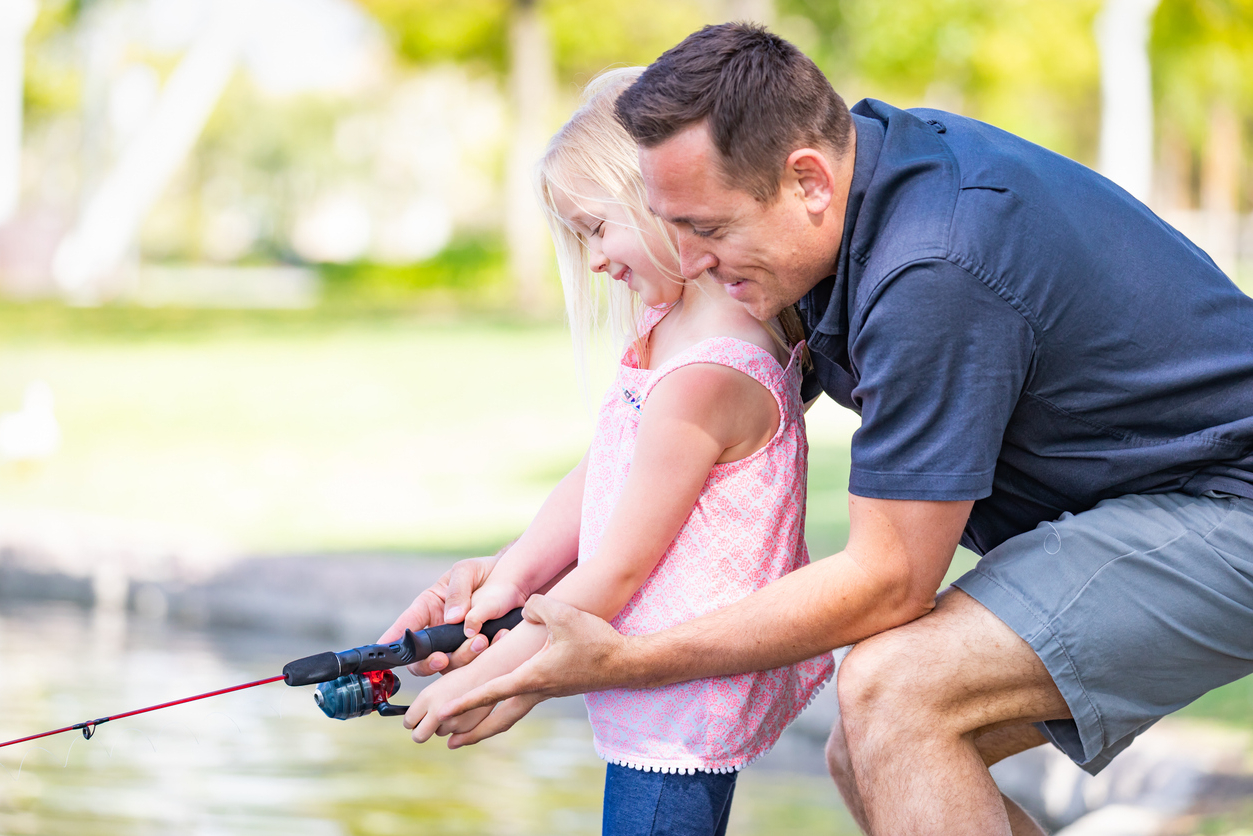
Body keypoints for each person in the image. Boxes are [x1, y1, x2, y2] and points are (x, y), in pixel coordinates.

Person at [387, 24, 1253, 836]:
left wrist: (620, 660)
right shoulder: (842, 198)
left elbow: (888, 582)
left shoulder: (932, 268)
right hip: (1146, 501)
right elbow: (662, 437)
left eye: (707, 230)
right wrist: (505, 579)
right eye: (676, 229)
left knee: (897, 695)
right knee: (870, 742)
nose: (688, 266)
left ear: (807, 179)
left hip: (1226, 502)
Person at [384, 66, 834, 836]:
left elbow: (619, 566)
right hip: (650, 684)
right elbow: (607, 468)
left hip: (679, 709)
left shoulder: (707, 374)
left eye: (596, 227)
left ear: (656, 198)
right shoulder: (673, 334)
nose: (593, 259)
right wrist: (510, 579)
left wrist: (495, 674)